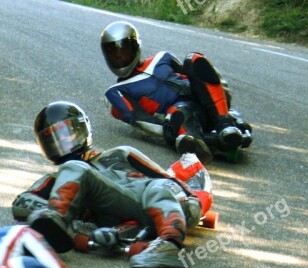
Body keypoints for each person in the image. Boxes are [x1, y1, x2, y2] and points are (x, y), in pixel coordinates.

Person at [12, 101, 212, 268]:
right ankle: (57, 221)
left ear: (82, 130)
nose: (61, 143)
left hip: (153, 198)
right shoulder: (61, 177)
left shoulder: (121, 153)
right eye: (52, 140)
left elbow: (165, 178)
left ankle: (169, 245)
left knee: (158, 187)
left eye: (65, 134)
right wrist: (68, 228)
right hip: (114, 209)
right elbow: (22, 202)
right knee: (74, 169)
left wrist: (191, 199)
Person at [100, 20, 252, 164]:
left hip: (206, 95)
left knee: (193, 58)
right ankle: (191, 142)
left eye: (124, 51)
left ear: (135, 47)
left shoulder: (163, 57)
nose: (119, 57)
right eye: (113, 53)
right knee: (177, 111)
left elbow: (195, 74)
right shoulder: (115, 93)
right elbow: (140, 119)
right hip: (183, 113)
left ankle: (224, 123)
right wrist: (167, 130)